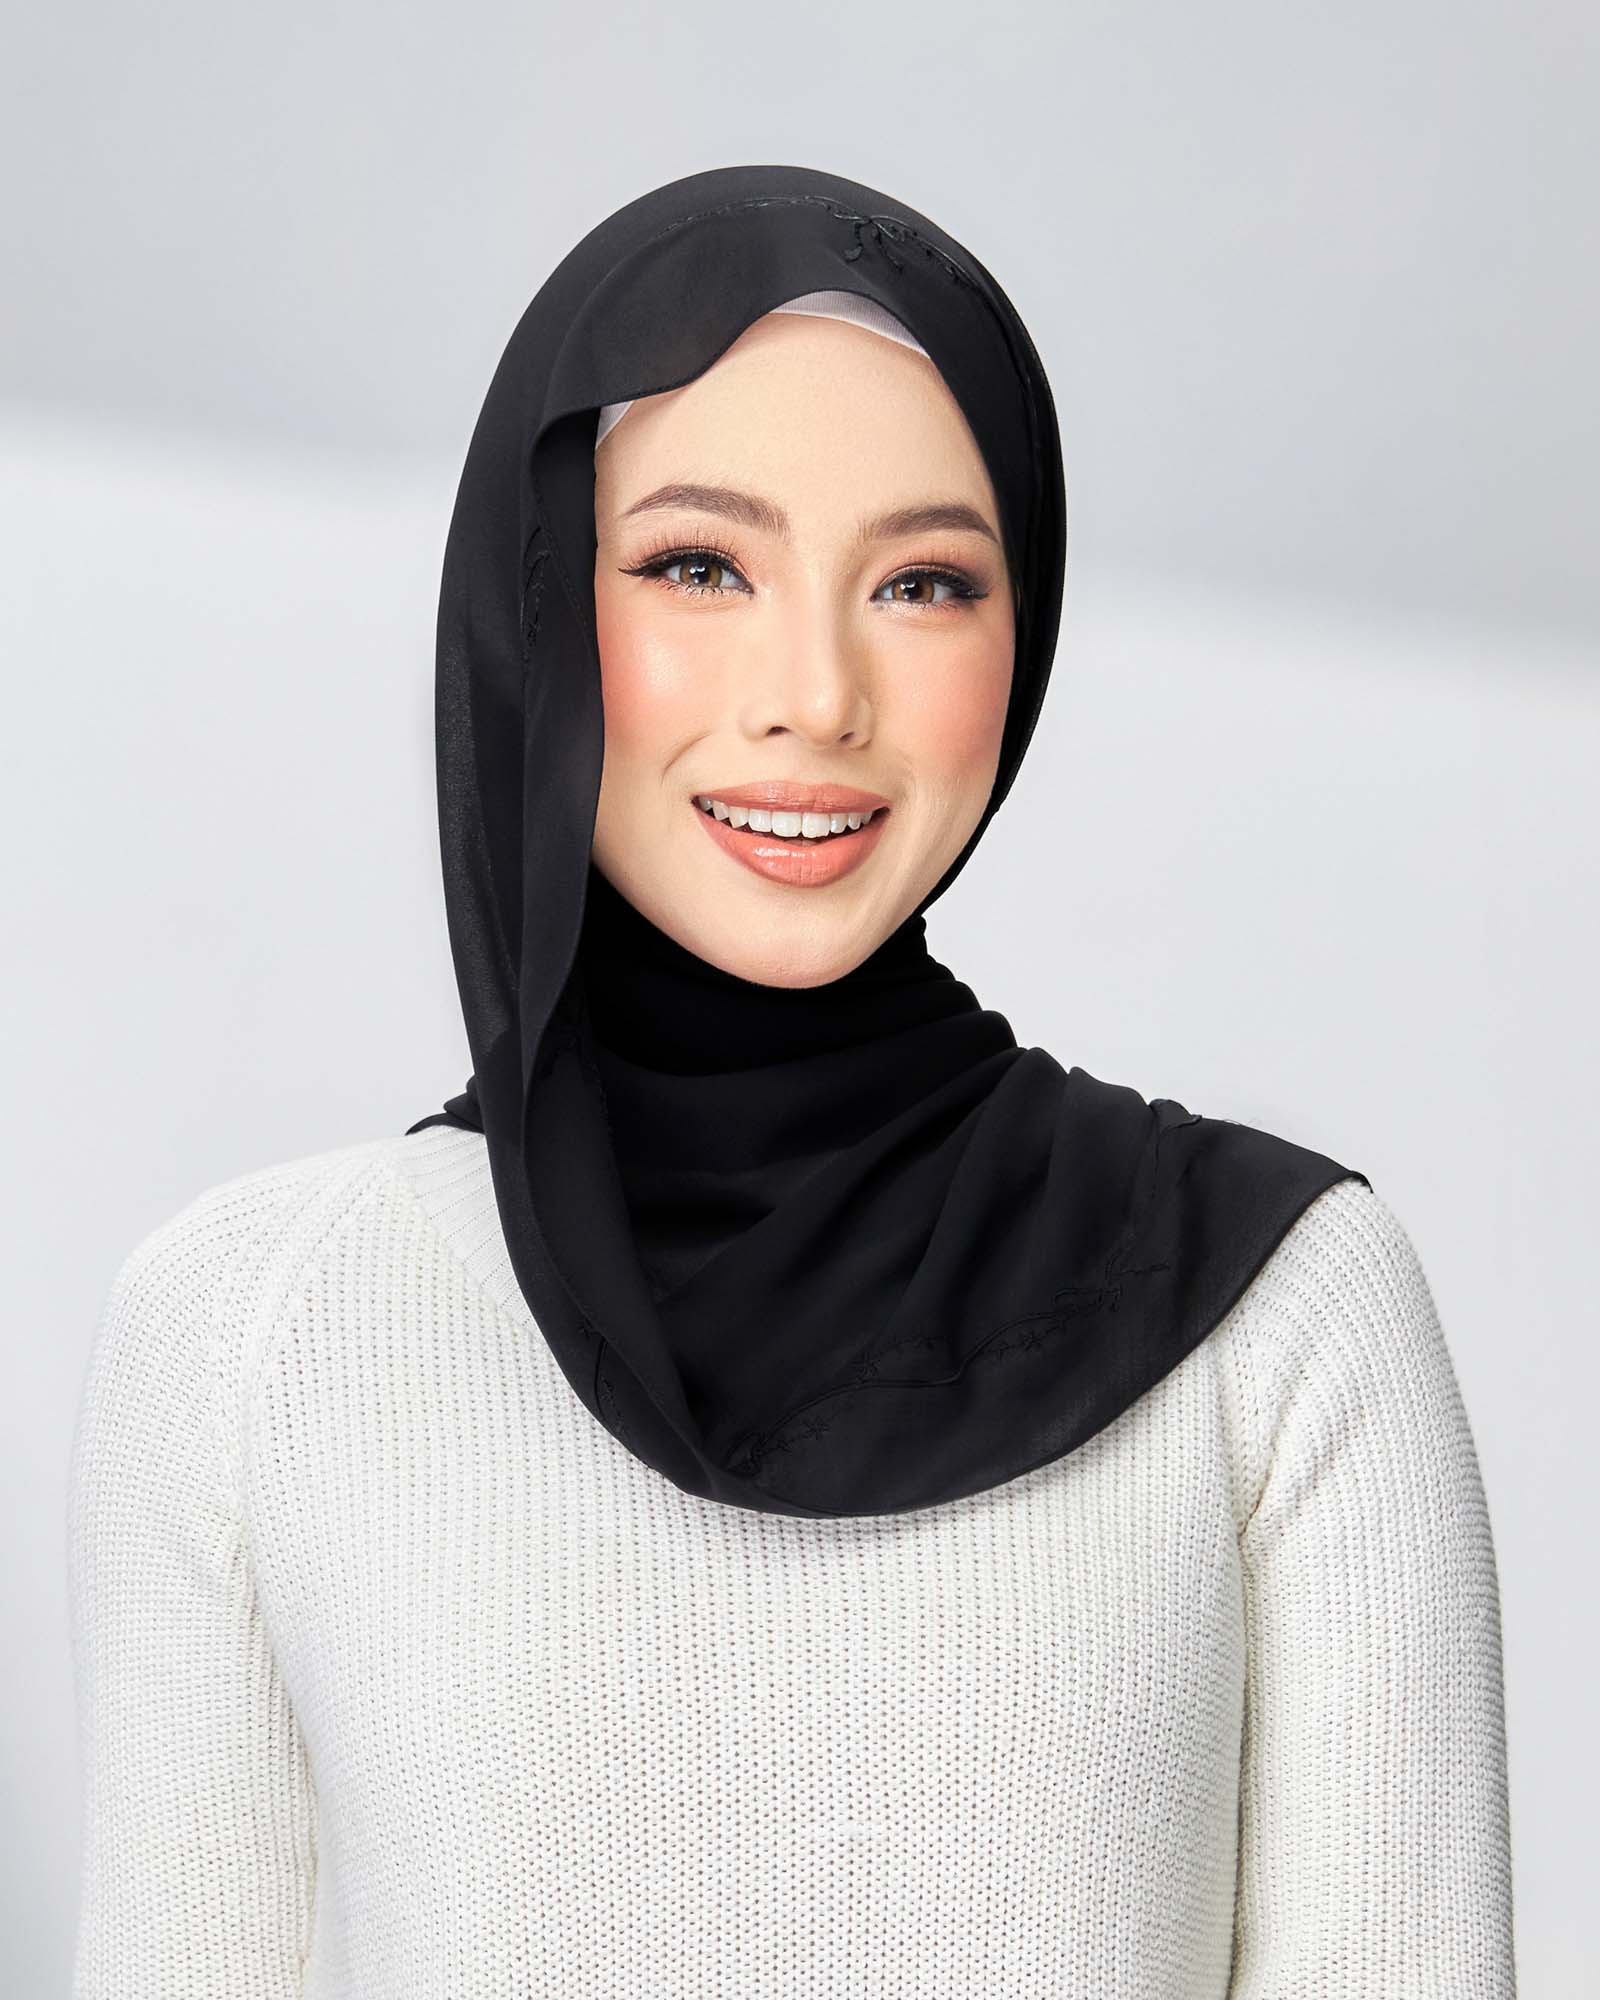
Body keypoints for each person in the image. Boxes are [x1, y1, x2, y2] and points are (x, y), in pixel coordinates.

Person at [67, 164, 1516, 1996]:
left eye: (924, 582)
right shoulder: (247, 1330)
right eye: (698, 565)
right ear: (533, 604)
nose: (817, 694)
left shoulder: (1282, 1316)